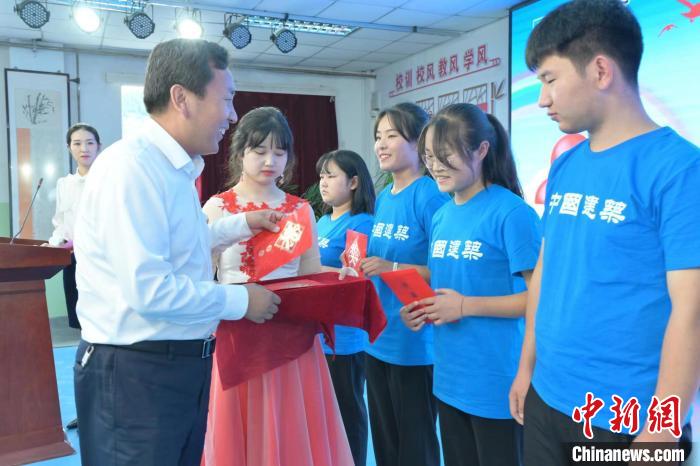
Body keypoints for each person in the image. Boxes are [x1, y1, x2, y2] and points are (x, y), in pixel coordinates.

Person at [72, 39, 282, 466]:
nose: (232, 115)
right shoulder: (132, 168)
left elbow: (183, 246)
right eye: (226, 100)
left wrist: (243, 224)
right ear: (182, 98)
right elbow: (151, 290)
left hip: (176, 367)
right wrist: (242, 301)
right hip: (136, 374)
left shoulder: (174, 169)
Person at [507, 1, 700, 465]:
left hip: (625, 418)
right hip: (548, 396)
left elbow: (692, 310)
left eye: (550, 79)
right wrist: (526, 365)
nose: (542, 99)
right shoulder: (567, 165)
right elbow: (547, 270)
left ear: (599, 70)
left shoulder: (679, 170)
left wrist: (663, 429)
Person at [201, 107, 354, 466]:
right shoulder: (218, 208)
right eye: (260, 151)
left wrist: (339, 278)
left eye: (279, 152)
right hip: (237, 337)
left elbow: (310, 274)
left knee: (292, 432)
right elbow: (201, 278)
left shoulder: (300, 210)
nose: (270, 161)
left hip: (292, 340)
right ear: (239, 153)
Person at [400, 103, 541, 466]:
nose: (435, 166)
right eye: (428, 156)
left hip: (498, 380)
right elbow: (446, 286)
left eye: (445, 155)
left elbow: (541, 300)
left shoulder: (513, 214)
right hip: (449, 378)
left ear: (481, 150)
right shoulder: (442, 215)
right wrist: (422, 309)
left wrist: (465, 306)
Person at [362, 102, 449, 466]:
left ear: (418, 143)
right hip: (378, 337)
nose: (381, 145)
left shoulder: (430, 195)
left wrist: (391, 266)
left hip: (415, 342)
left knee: (416, 448)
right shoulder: (384, 198)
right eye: (378, 136)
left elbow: (446, 269)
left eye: (392, 136)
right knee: (385, 445)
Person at [316, 149, 375, 466]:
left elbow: (352, 278)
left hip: (345, 340)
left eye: (331, 175)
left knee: (348, 414)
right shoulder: (321, 222)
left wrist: (313, 272)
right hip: (317, 336)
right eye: (321, 176)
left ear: (353, 182)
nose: (323, 182)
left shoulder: (361, 223)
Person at [47, 123, 101, 331]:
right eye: (77, 143)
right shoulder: (64, 184)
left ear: (99, 146)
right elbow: (61, 223)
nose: (84, 149)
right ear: (69, 147)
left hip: (100, 258)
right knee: (79, 320)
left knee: (101, 318)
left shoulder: (108, 180)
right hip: (73, 260)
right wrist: (55, 242)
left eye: (90, 143)